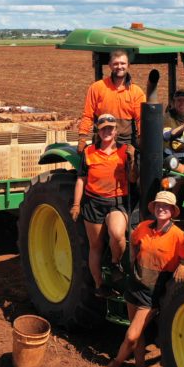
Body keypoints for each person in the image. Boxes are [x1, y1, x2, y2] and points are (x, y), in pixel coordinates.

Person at [93, 191, 184, 367]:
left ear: (172, 211)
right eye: (158, 205)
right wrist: (132, 260)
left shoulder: (178, 236)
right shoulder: (144, 227)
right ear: (154, 208)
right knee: (137, 335)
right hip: (135, 286)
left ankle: (113, 366)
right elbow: (133, 243)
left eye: (166, 206)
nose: (161, 209)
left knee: (131, 335)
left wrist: (182, 265)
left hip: (152, 294)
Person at [71, 113, 135, 297]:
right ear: (98, 132)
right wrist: (76, 204)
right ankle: (100, 285)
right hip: (94, 203)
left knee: (117, 234)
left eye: (110, 128)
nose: (107, 131)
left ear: (116, 131)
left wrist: (132, 162)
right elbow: (81, 180)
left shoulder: (124, 151)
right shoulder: (89, 152)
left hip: (116, 202)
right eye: (103, 128)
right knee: (96, 246)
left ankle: (116, 263)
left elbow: (132, 179)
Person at [78, 49, 145, 150]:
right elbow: (88, 115)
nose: (119, 67)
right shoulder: (97, 87)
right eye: (115, 64)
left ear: (128, 65)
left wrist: (141, 138)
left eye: (123, 63)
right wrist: (82, 138)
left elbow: (141, 119)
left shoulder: (136, 92)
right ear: (110, 65)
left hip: (125, 143)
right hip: (101, 141)